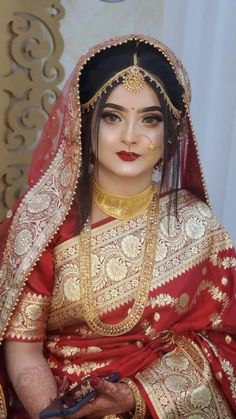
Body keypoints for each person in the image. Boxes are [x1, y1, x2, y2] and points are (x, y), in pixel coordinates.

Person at [0, 34, 235, 419]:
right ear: (84, 122)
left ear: (171, 131)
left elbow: (223, 345)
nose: (130, 136)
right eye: (112, 117)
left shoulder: (199, 228)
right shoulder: (43, 222)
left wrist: (135, 397)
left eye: (150, 119)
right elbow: (23, 349)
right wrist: (53, 412)